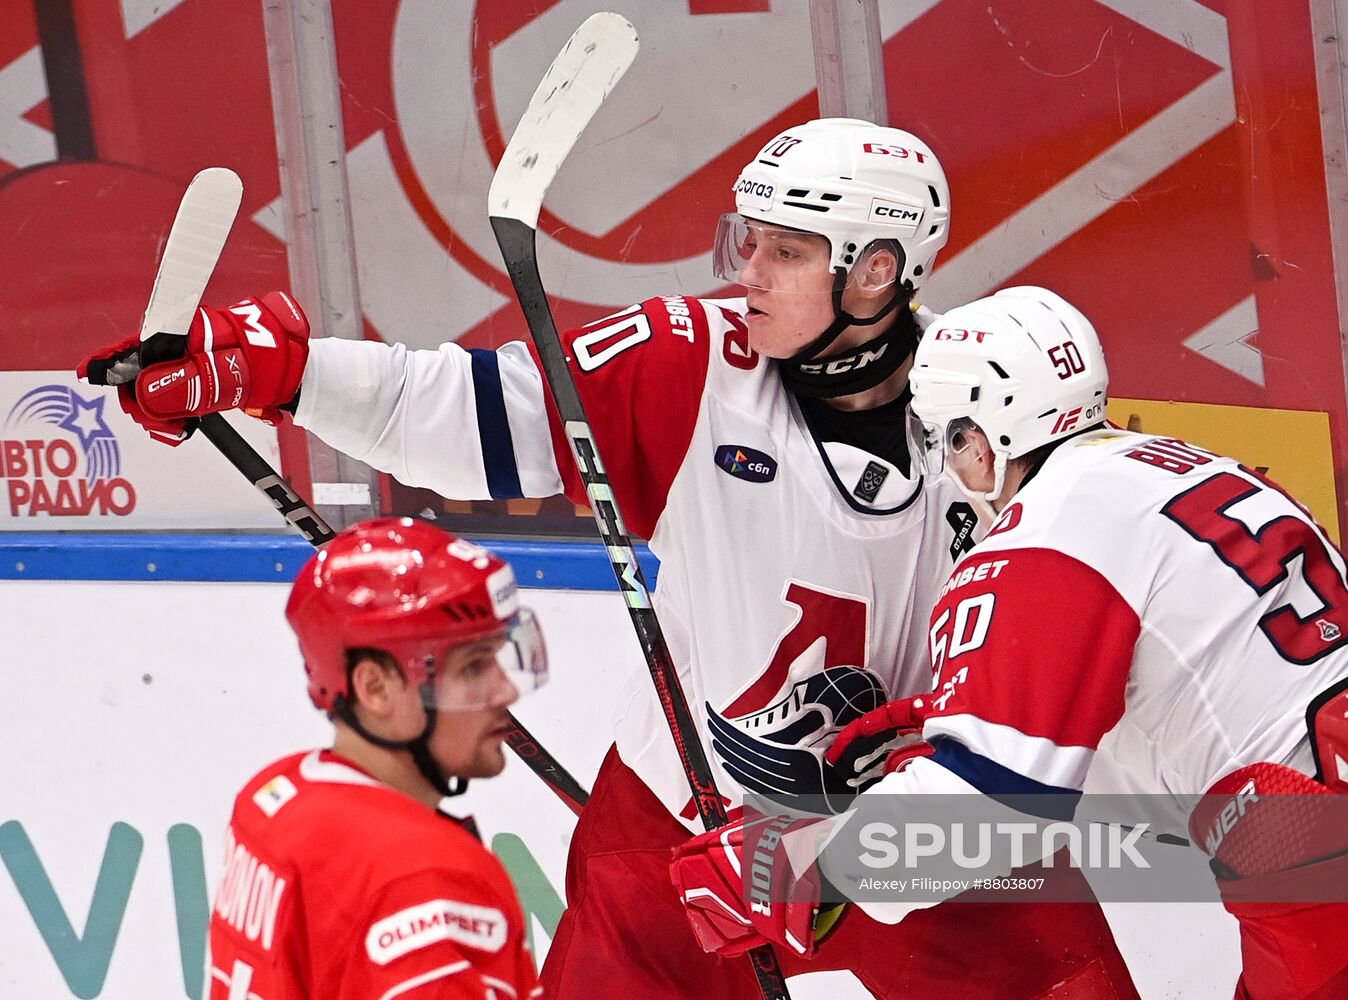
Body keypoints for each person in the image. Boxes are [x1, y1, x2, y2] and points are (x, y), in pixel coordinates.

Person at [82, 120, 1137, 998]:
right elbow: (471, 409)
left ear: (873, 271)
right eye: (745, 239)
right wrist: (281, 371)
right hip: (693, 812)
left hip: (915, 824)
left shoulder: (992, 398)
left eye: (783, 251)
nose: (745, 273)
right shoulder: (689, 358)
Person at [672, 285, 1348, 999]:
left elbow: (995, 803)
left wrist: (796, 866)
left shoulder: (1041, 541)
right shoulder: (1190, 469)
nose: (945, 471)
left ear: (978, 443)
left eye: (939, 440)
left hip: (1333, 858)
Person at [205, 517, 546, 1000]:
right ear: (375, 687)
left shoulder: (271, 799)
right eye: (473, 666)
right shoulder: (421, 875)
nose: (505, 689)